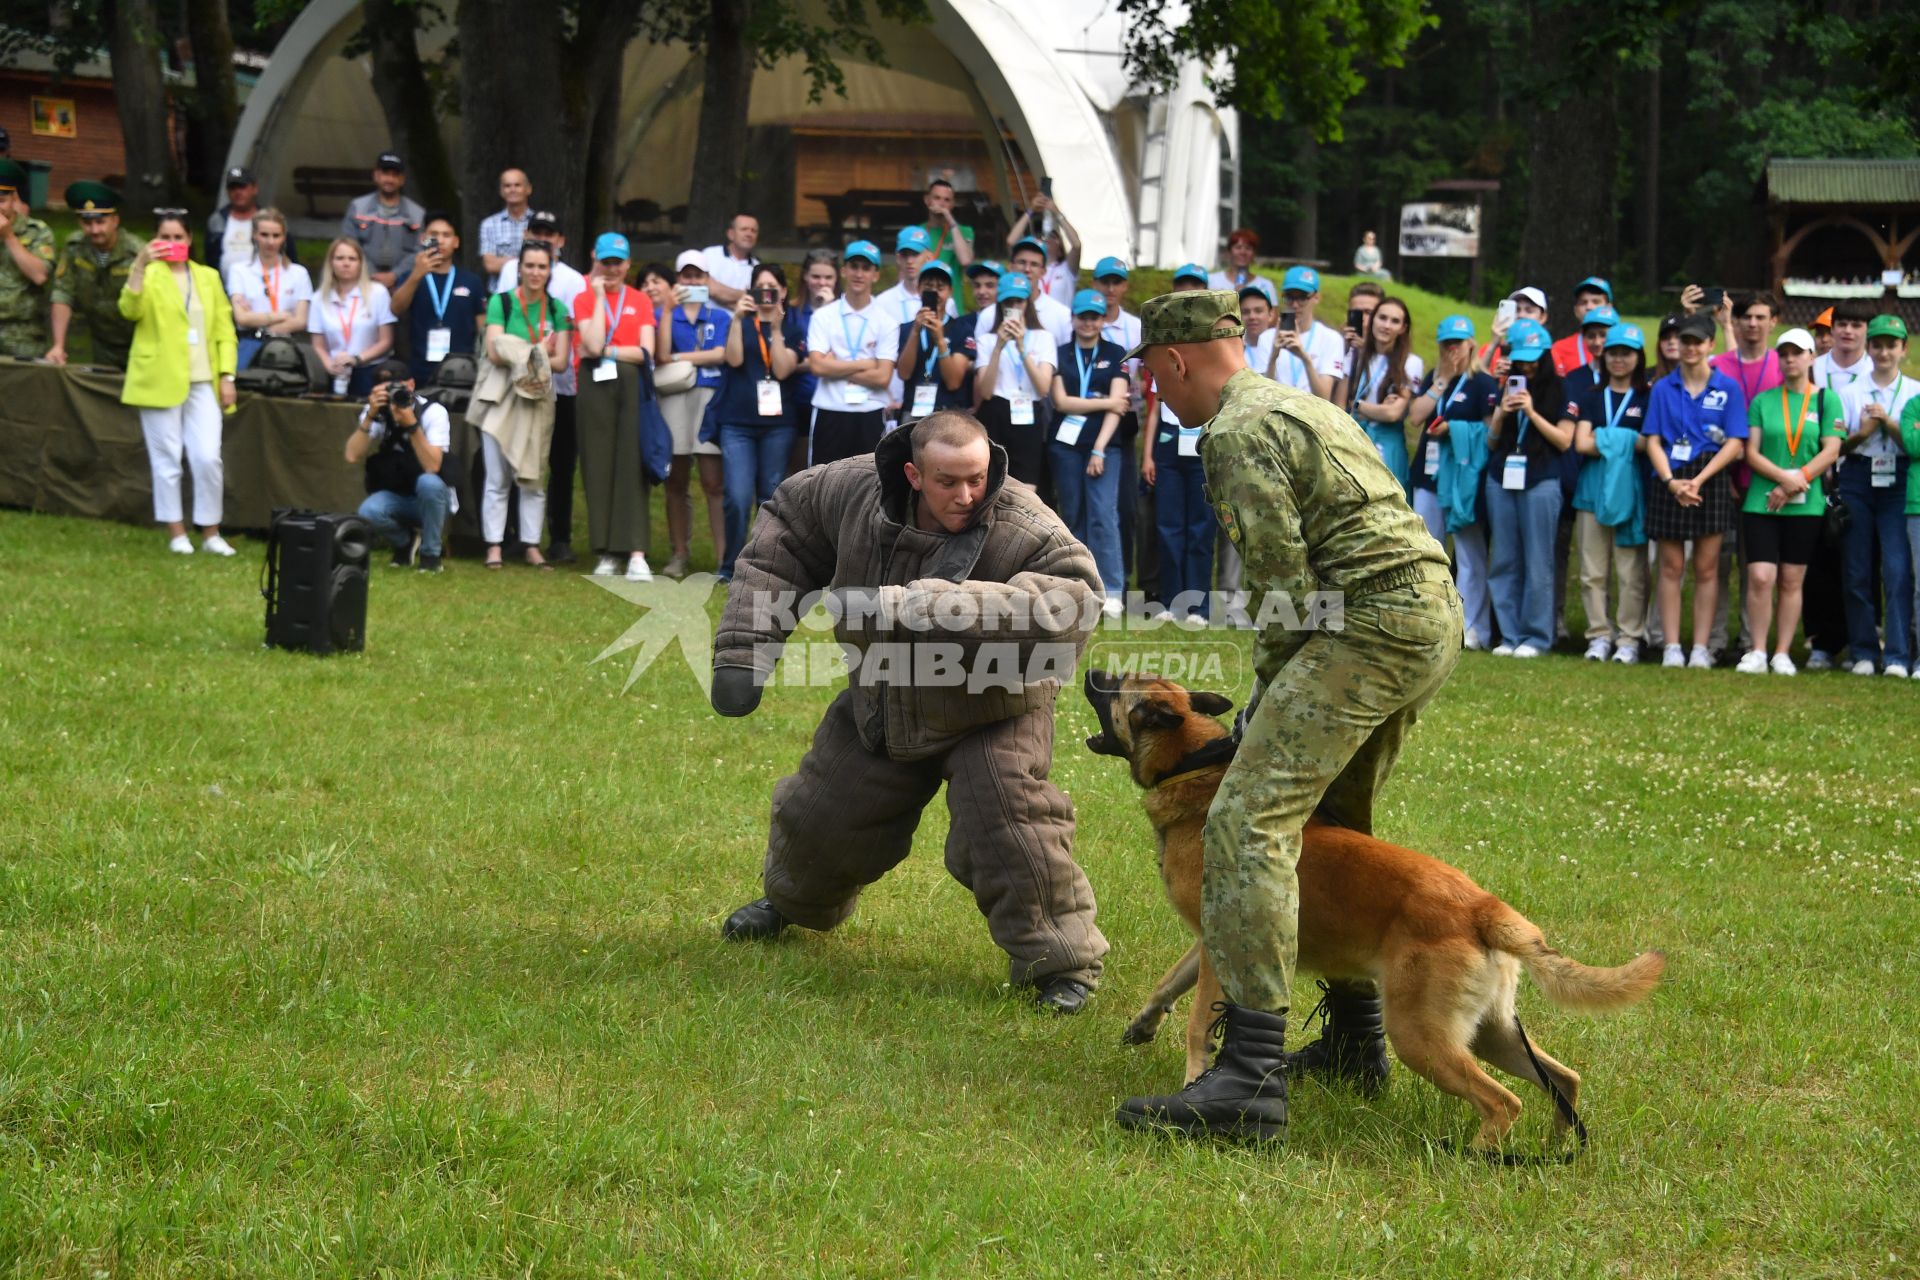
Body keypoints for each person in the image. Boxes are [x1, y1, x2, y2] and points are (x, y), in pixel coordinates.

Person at [1115, 289, 1460, 1143]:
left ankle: (1248, 1081)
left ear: (1174, 360)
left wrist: (1266, 695)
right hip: (1427, 611)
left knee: (1245, 820)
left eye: (1156, 380)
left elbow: (1279, 582)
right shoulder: (1300, 403)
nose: (1159, 396)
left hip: (1366, 624)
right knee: (1332, 818)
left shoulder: (1233, 431)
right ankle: (1355, 1039)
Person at [712, 411, 1109, 1016]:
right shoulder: (848, 493)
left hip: (995, 708)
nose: (968, 495)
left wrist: (932, 604)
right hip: (886, 694)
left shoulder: (1029, 526)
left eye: (977, 478)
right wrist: (745, 649)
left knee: (1011, 826)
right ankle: (793, 904)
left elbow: (1073, 607)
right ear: (912, 474)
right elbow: (783, 539)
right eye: (948, 481)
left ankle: (1063, 964)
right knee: (822, 817)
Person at [118, 211, 239, 556]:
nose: (171, 244)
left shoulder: (208, 277)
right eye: (164, 237)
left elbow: (224, 330)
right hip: (158, 378)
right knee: (167, 458)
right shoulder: (147, 273)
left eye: (178, 237)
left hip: (203, 379)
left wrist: (227, 375)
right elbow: (129, 310)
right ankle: (176, 532)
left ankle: (211, 532)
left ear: (189, 240)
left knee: (207, 457)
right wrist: (140, 265)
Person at [1734, 329, 1844, 676]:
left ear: (1812, 357)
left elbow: (1831, 449)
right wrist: (1784, 479)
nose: (1790, 359)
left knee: (1792, 579)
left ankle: (1782, 652)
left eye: (1798, 353)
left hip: (1805, 502)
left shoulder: (1827, 399)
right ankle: (1757, 650)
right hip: (1763, 501)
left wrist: (1799, 480)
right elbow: (1750, 451)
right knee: (1761, 576)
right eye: (1784, 353)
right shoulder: (1763, 401)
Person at [1643, 313, 1748, 669]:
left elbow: (1736, 442)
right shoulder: (1662, 387)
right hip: (1670, 477)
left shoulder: (1727, 387)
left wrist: (1700, 480)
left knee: (1707, 568)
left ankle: (1701, 647)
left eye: (1696, 342)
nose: (1689, 347)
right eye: (1684, 341)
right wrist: (1672, 482)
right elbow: (1653, 440)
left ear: (1710, 345)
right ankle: (1672, 646)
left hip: (1711, 476)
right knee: (1671, 567)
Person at [496, 211, 588, 564]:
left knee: (561, 464)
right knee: (516, 457)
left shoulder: (573, 280)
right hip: (517, 383)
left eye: (550, 233)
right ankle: (515, 535)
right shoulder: (510, 270)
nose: (543, 237)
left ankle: (559, 537)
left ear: (561, 241)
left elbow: (572, 332)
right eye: (536, 231)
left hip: (560, 386)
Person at [479, 239, 572, 570]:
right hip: (502, 395)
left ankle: (532, 545)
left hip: (538, 396)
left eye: (542, 266)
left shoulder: (559, 309)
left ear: (551, 270)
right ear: (519, 268)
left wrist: (520, 350)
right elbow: (493, 351)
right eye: (529, 265)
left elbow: (561, 362)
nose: (535, 272)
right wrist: (537, 350)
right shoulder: (501, 303)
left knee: (533, 475)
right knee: (497, 475)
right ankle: (494, 546)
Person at [1835, 314, 1919, 678]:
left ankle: (1899, 654)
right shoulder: (1849, 391)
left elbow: (1915, 446)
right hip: (1857, 474)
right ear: (1869, 349)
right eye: (1878, 345)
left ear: (1904, 349)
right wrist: (1864, 430)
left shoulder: (1915, 392)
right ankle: (1864, 650)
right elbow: (1838, 444)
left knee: (1897, 569)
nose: (1884, 352)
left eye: (1891, 345)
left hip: (1899, 479)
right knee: (1856, 568)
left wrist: (1888, 423)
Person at [1407, 315, 1497, 649]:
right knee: (1428, 552)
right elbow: (1416, 416)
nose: (1453, 350)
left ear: (1472, 343)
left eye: (1458, 343)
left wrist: (1456, 432)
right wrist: (1440, 381)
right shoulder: (1434, 377)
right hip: (1428, 476)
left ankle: (1473, 628)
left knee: (1470, 555)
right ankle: (1432, 624)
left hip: (1463, 481)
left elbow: (1491, 434)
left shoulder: (1483, 383)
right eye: (1447, 344)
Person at [572, 231, 657, 582]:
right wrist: (594, 297)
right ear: (597, 261)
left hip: (631, 385)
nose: (611, 269)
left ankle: (635, 552)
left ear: (627, 264)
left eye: (617, 263)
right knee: (598, 466)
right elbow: (589, 345)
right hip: (593, 387)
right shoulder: (582, 299)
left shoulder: (640, 300)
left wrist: (607, 351)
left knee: (630, 466)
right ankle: (606, 551)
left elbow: (645, 353)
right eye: (605, 262)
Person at [1483, 320, 1571, 657]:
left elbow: (1564, 441)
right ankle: (1509, 635)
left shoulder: (1560, 389)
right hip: (1501, 478)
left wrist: (1531, 413)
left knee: (1538, 561)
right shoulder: (1503, 386)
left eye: (1535, 357)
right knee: (1504, 558)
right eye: (1522, 358)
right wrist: (1502, 414)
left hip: (1541, 479)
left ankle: (1536, 637)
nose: (1529, 365)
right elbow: (1491, 442)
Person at [711, 259, 802, 581]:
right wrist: (738, 318)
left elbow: (781, 369)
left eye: (772, 289)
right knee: (736, 496)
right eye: (760, 288)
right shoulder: (739, 321)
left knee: (770, 495)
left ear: (783, 292)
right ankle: (729, 566)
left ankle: (764, 566)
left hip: (778, 425)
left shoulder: (793, 325)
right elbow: (733, 358)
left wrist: (775, 328)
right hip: (737, 422)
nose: (766, 295)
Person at [1567, 322, 1651, 664]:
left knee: (1631, 570)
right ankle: (1599, 635)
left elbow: (1651, 441)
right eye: (1613, 353)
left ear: (1638, 357)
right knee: (1592, 570)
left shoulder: (1648, 396)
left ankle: (1629, 638)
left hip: (1631, 492)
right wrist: (1625, 440)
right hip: (1591, 491)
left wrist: (1605, 437)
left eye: (1626, 353)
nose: (1618, 359)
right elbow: (1580, 443)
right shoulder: (1590, 395)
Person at [1050, 288, 1130, 615]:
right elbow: (1061, 401)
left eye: (1094, 317)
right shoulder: (1061, 353)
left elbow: (1120, 406)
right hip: (1066, 446)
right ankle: (1077, 583)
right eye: (1082, 316)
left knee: (1103, 516)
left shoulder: (1116, 351)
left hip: (1104, 446)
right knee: (1072, 515)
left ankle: (1111, 589)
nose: (1088, 322)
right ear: (1073, 318)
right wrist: (1106, 401)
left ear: (1102, 320)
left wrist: (1099, 449)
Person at [1141, 270, 1212, 623]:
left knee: (1200, 527)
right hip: (1169, 444)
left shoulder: (1212, 341)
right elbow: (1155, 405)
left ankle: (1198, 606)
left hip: (1201, 442)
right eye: (1180, 291)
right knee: (1169, 526)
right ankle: (1171, 602)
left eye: (1193, 291)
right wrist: (1149, 454)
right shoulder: (1162, 340)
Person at [657, 249, 732, 577]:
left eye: (698, 276)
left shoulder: (720, 317)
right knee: (676, 478)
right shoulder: (667, 315)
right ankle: (679, 553)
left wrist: (680, 357)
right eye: (686, 276)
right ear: (678, 280)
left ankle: (723, 559)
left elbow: (722, 354)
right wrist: (667, 310)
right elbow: (660, 355)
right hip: (675, 398)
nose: (692, 281)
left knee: (714, 482)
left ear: (707, 280)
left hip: (710, 400)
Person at [347, 359, 457, 573]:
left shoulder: (434, 412)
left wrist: (411, 424)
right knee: (369, 510)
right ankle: (404, 543)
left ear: (412, 385)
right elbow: (352, 455)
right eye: (385, 390)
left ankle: (431, 556)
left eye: (397, 388)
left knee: (429, 483)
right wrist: (370, 416)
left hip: (435, 501)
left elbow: (432, 466)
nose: (392, 396)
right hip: (400, 497)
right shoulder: (377, 412)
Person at [805, 240, 896, 466]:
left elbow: (882, 377)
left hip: (870, 410)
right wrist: (865, 363)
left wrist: (836, 366)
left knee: (868, 483)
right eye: (854, 266)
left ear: (875, 275)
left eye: (866, 268)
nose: (859, 274)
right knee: (822, 483)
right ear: (844, 271)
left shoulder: (886, 321)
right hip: (830, 409)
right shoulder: (823, 316)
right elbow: (817, 367)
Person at [969, 272, 1055, 486]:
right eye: (1009, 302)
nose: (1014, 307)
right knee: (990, 484)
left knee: (1027, 488)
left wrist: (1022, 349)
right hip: (995, 411)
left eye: (1019, 301)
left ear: (1028, 303)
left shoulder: (1044, 338)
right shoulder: (987, 340)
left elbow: (1043, 388)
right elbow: (986, 391)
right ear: (1000, 305)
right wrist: (998, 347)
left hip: (1028, 414)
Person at [46, 181, 144, 368]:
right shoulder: (75, 248)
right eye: (87, 223)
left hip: (138, 342)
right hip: (100, 343)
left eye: (100, 222)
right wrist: (58, 345)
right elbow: (63, 293)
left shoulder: (136, 252)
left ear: (115, 220)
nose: (94, 230)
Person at [389, 210, 485, 384]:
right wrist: (416, 275)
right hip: (419, 369)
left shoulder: (472, 281)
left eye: (446, 235)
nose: (440, 240)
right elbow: (396, 308)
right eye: (434, 234)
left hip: (462, 371)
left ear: (456, 242)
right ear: (423, 238)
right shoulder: (411, 277)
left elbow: (483, 330)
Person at [1348, 295, 1423, 500]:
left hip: (1387, 445)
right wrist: (1374, 409)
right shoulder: (1355, 355)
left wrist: (1356, 405)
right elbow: (1338, 404)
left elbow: (1392, 413)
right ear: (1373, 320)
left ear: (1403, 328)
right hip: (1353, 440)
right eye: (1382, 318)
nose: (1387, 325)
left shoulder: (1410, 362)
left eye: (1395, 321)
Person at [220, 206, 312, 370]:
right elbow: (242, 318)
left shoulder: (298, 273)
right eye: (264, 235)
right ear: (254, 235)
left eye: (276, 236)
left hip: (287, 344)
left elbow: (300, 321)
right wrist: (282, 315)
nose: (270, 242)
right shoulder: (239, 270)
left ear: (284, 237)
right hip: (250, 342)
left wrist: (259, 320)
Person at [308, 237, 397, 399]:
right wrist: (329, 365)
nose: (346, 263)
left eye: (352, 258)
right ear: (331, 263)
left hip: (370, 370)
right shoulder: (319, 298)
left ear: (361, 263)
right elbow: (318, 345)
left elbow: (386, 341)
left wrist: (356, 359)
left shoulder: (377, 293)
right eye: (340, 258)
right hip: (334, 372)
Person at [891, 259, 965, 426]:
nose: (935, 293)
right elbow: (903, 374)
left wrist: (940, 340)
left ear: (950, 292)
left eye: (940, 288)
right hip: (911, 411)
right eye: (929, 287)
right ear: (918, 289)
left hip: (947, 412)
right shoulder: (906, 329)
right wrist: (916, 331)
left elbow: (953, 382)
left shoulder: (961, 328)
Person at [340, 152, 423, 289]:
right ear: (376, 175)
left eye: (395, 175)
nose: (390, 179)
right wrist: (371, 273)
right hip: (362, 279)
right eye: (385, 173)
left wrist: (395, 275)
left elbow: (421, 250)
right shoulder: (357, 207)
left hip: (403, 282)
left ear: (402, 179)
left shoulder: (418, 213)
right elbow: (348, 244)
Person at [0, 159, 55, 359]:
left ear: (14, 199)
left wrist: (8, 236)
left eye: (1, 200)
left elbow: (39, 275)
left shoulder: (37, 231)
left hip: (24, 338)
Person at [1266, 265, 1345, 402]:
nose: (1295, 305)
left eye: (1302, 298)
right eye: (1289, 297)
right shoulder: (1266, 337)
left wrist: (1305, 359)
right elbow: (1264, 395)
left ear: (1316, 298)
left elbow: (1324, 398)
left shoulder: (1331, 339)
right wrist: (1273, 357)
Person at [1006, 194, 1079, 306]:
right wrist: (1030, 210)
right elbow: (1011, 241)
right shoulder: (1028, 267)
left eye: (1052, 236)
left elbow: (1076, 244)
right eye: (1042, 237)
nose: (1046, 239)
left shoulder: (1066, 268)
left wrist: (1057, 213)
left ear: (1060, 249)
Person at [1712, 292, 1784, 403]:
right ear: (1736, 321)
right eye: (1747, 317)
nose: (1753, 323)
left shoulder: (1782, 364)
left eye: (1760, 318)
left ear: (1773, 322)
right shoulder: (1716, 365)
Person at [1006, 234, 1074, 344]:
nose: (1027, 269)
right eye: (1022, 262)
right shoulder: (991, 313)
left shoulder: (1062, 315)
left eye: (1034, 264)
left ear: (1043, 272)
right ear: (1011, 267)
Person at [478, 168, 533, 291]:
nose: (512, 189)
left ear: (528, 189)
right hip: (500, 295)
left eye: (517, 185)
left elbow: (550, 261)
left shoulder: (539, 223)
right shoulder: (489, 224)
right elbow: (490, 264)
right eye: (507, 186)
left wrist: (504, 261)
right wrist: (529, 262)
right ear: (501, 191)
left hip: (535, 296)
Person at [1548, 276, 1613, 377]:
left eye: (1596, 302)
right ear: (1576, 310)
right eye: (1583, 302)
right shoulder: (1559, 349)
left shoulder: (1624, 344)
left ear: (1609, 308)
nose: (1589, 307)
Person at [205, 167, 264, 278]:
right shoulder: (217, 220)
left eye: (242, 187)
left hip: (264, 289)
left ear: (255, 188)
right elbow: (210, 257)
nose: (238, 192)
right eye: (233, 188)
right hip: (224, 289)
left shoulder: (269, 220)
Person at [700, 213, 760, 307]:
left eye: (753, 231)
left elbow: (758, 303)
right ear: (731, 234)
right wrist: (750, 294)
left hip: (740, 321)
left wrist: (721, 294)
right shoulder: (709, 254)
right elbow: (711, 289)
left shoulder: (758, 267)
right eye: (744, 229)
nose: (749, 234)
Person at [918, 176, 975, 273]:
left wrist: (950, 219)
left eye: (947, 200)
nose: (941, 203)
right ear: (927, 200)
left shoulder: (964, 231)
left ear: (953, 204)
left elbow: (965, 261)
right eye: (937, 198)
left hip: (952, 288)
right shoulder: (917, 231)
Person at [1209, 227, 1273, 295]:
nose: (1243, 252)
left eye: (1248, 248)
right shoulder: (1211, 281)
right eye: (1238, 247)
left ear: (1254, 254)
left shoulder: (1266, 285)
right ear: (1229, 252)